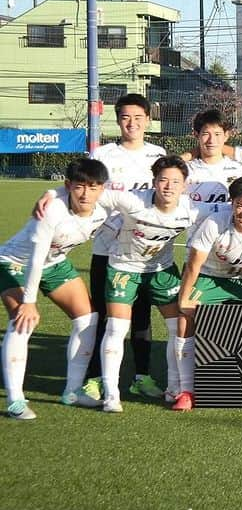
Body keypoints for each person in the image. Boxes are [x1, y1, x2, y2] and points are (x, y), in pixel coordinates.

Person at [1, 159, 112, 419]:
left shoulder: (103, 209)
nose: (86, 193)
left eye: (94, 187)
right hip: (15, 263)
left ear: (102, 189)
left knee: (89, 317)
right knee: (22, 321)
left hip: (55, 264)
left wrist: (51, 190)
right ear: (68, 186)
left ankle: (72, 392)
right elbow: (36, 258)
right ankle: (15, 400)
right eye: (80, 186)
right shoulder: (52, 211)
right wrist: (29, 301)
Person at [97, 156, 202, 413]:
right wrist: (52, 194)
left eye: (175, 181)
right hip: (124, 268)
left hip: (161, 270)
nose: (169, 186)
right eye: (163, 180)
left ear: (185, 185)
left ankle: (175, 388)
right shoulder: (133, 200)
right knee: (117, 329)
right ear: (153, 182)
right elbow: (92, 191)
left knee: (178, 328)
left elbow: (230, 209)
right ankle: (111, 394)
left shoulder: (192, 208)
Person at [81, 93, 167, 403]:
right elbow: (88, 193)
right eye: (126, 117)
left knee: (142, 318)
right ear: (118, 120)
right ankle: (94, 379)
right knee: (103, 317)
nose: (132, 123)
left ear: (147, 120)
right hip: (108, 249)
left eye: (138, 117)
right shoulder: (103, 155)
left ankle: (141, 377)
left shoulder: (157, 154)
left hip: (143, 254)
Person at [174, 175, 242, 411]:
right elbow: (194, 265)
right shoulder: (215, 222)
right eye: (239, 205)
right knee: (184, 317)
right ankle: (186, 390)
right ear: (231, 203)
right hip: (210, 277)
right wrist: (184, 299)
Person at [184, 109, 242, 221]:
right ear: (196, 135)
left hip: (230, 236)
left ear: (226, 135)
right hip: (196, 237)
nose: (211, 140)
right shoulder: (185, 171)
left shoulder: (241, 170)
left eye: (217, 134)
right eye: (206, 134)